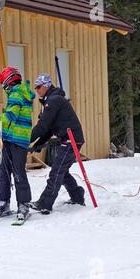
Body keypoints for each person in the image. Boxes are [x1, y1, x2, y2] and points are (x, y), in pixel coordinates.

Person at [29, 73, 85, 215]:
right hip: (67, 139)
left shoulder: (54, 100)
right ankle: (77, 196)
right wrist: (37, 145)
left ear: (47, 85)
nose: (37, 90)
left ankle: (45, 203)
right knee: (62, 170)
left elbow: (42, 126)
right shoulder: (51, 100)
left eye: (39, 87)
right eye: (35, 88)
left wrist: (25, 139)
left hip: (71, 139)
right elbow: (48, 130)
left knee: (56, 172)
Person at [0, 67, 35, 222]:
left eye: (3, 83)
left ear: (8, 82)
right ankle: (4, 202)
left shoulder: (16, 94)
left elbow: (11, 116)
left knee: (15, 172)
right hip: (13, 138)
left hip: (16, 139)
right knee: (5, 171)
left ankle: (22, 204)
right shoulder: (22, 92)